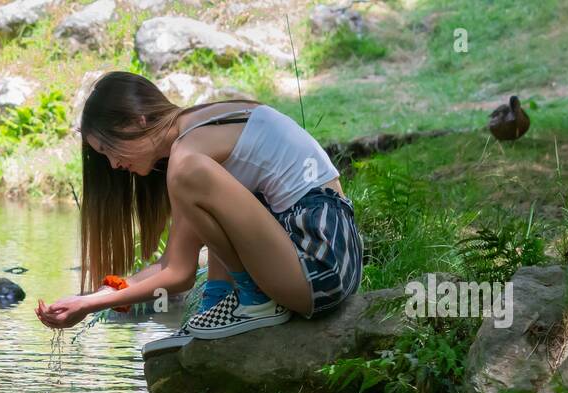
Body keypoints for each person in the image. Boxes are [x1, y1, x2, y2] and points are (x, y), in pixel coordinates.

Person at [36, 71, 363, 356]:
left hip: (320, 260)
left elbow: (179, 273)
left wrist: (90, 305)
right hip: (329, 253)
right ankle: (219, 303)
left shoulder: (188, 156)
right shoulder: (200, 128)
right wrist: (93, 296)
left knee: (188, 171)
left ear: (138, 120)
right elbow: (169, 265)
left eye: (109, 149)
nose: (113, 165)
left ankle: (255, 301)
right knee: (201, 178)